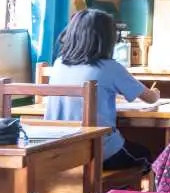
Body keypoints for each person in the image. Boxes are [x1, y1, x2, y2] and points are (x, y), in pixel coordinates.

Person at [46, 9, 160, 172]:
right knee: (148, 155)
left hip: (59, 152)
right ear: (107, 39)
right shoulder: (111, 68)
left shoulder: (59, 64)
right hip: (100, 151)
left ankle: (112, 187)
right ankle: (121, 187)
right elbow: (150, 98)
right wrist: (156, 92)